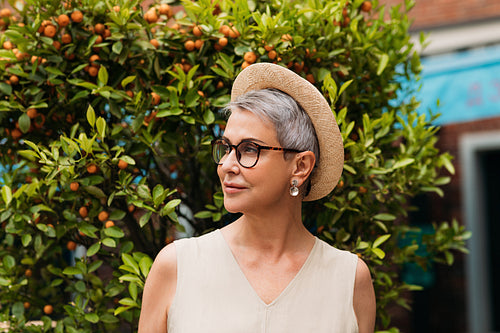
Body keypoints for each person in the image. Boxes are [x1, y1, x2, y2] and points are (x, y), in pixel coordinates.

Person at [138, 63, 376, 333]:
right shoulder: (177, 267)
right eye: (225, 148)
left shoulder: (349, 279)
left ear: (300, 167)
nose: (227, 164)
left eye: (249, 149)